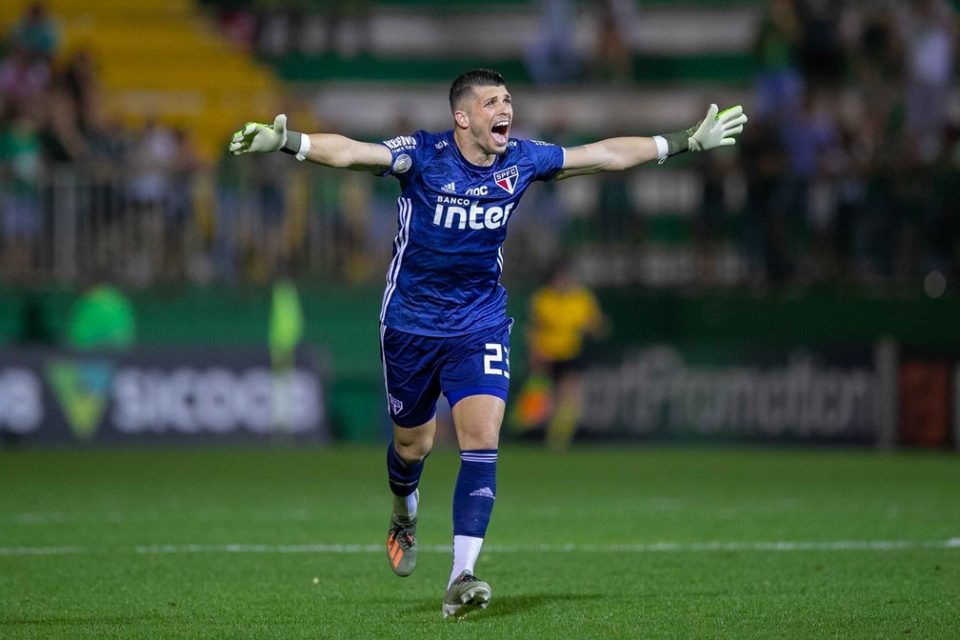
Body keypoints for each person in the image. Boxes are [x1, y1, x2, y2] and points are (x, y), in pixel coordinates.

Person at [229, 68, 747, 618]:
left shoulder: (521, 160)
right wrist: (289, 142)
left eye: (508, 99)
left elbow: (603, 155)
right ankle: (404, 509)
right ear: (463, 117)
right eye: (493, 101)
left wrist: (684, 141)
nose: (506, 109)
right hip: (410, 324)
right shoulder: (424, 155)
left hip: (479, 321)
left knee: (482, 436)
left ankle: (462, 575)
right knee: (414, 446)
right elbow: (354, 153)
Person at [522, 260, 607, 450]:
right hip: (548, 353)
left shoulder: (582, 299)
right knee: (544, 395)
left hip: (571, 352)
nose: (564, 282)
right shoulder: (543, 299)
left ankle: (558, 438)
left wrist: (592, 326)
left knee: (570, 394)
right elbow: (533, 327)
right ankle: (529, 431)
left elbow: (599, 326)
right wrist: (535, 351)